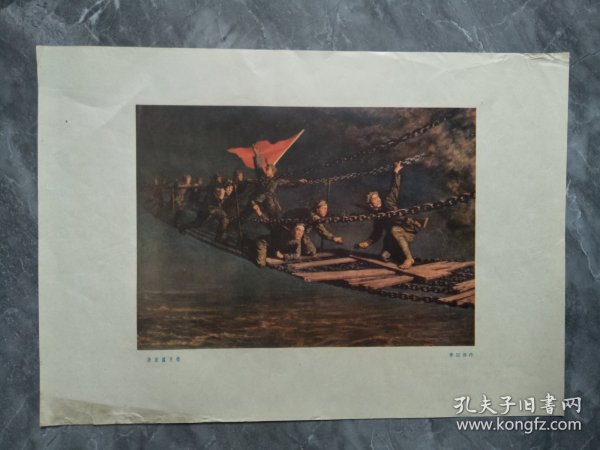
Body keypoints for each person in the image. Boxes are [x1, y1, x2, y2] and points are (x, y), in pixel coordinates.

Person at [356, 161, 428, 269]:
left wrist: (396, 172)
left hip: (409, 230)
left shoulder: (388, 203)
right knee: (384, 255)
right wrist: (367, 243)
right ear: (371, 204)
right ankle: (395, 255)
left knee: (394, 230)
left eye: (378, 197)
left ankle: (409, 259)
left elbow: (394, 189)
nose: (378, 199)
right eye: (374, 199)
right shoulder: (377, 217)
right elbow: (377, 233)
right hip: (395, 236)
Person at [249, 145, 307, 220]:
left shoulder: (276, 180)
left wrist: (298, 182)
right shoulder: (262, 176)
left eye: (267, 169)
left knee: (275, 215)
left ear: (272, 171)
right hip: (258, 199)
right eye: (266, 169)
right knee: (247, 211)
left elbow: (288, 183)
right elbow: (258, 166)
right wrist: (257, 155)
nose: (266, 170)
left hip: (269, 202)